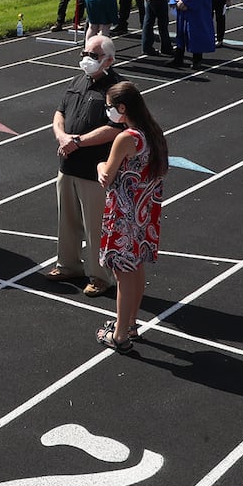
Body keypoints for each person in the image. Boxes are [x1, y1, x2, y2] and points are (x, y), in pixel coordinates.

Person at [44, 34, 124, 298]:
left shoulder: (117, 89)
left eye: (93, 55)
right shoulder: (78, 80)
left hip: (94, 170)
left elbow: (115, 128)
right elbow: (60, 112)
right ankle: (68, 265)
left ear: (109, 60)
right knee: (66, 220)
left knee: (96, 225)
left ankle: (101, 276)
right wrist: (62, 137)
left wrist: (76, 141)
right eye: (84, 54)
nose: (86, 60)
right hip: (67, 165)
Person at [95, 80, 168, 350]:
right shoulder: (153, 133)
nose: (108, 111)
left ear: (122, 108)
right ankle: (131, 324)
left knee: (122, 275)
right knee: (136, 270)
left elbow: (107, 176)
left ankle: (120, 335)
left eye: (110, 107)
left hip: (124, 214)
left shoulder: (126, 138)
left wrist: (101, 163)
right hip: (144, 213)